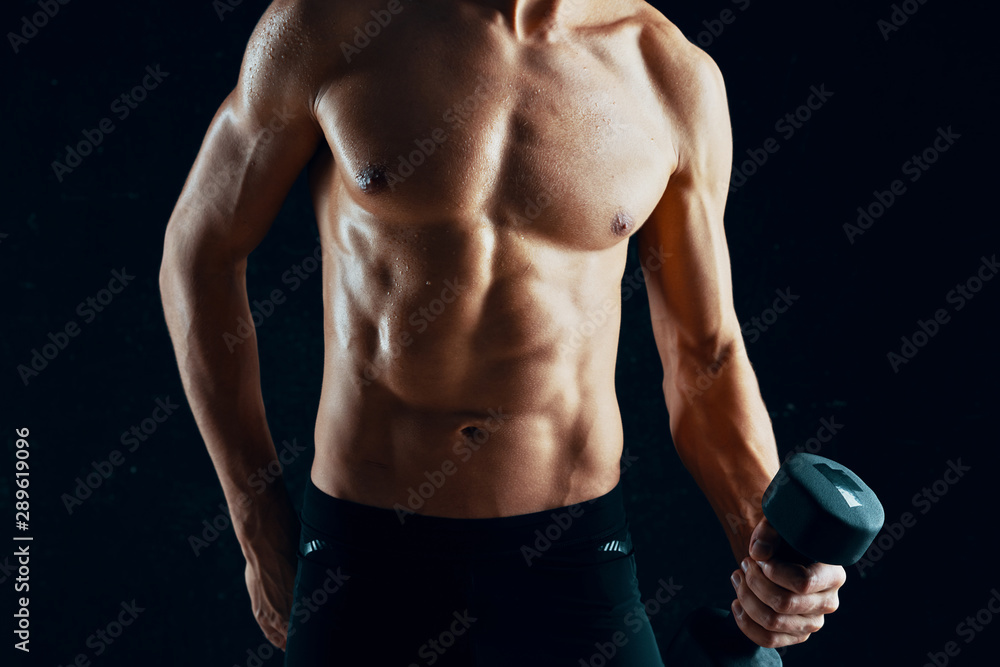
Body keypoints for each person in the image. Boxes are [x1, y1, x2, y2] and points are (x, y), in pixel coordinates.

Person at [159, 0, 846, 663]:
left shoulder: (666, 75)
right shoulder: (328, 23)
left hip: (572, 562)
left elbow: (708, 355)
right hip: (366, 556)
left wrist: (765, 545)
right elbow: (199, 253)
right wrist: (257, 521)